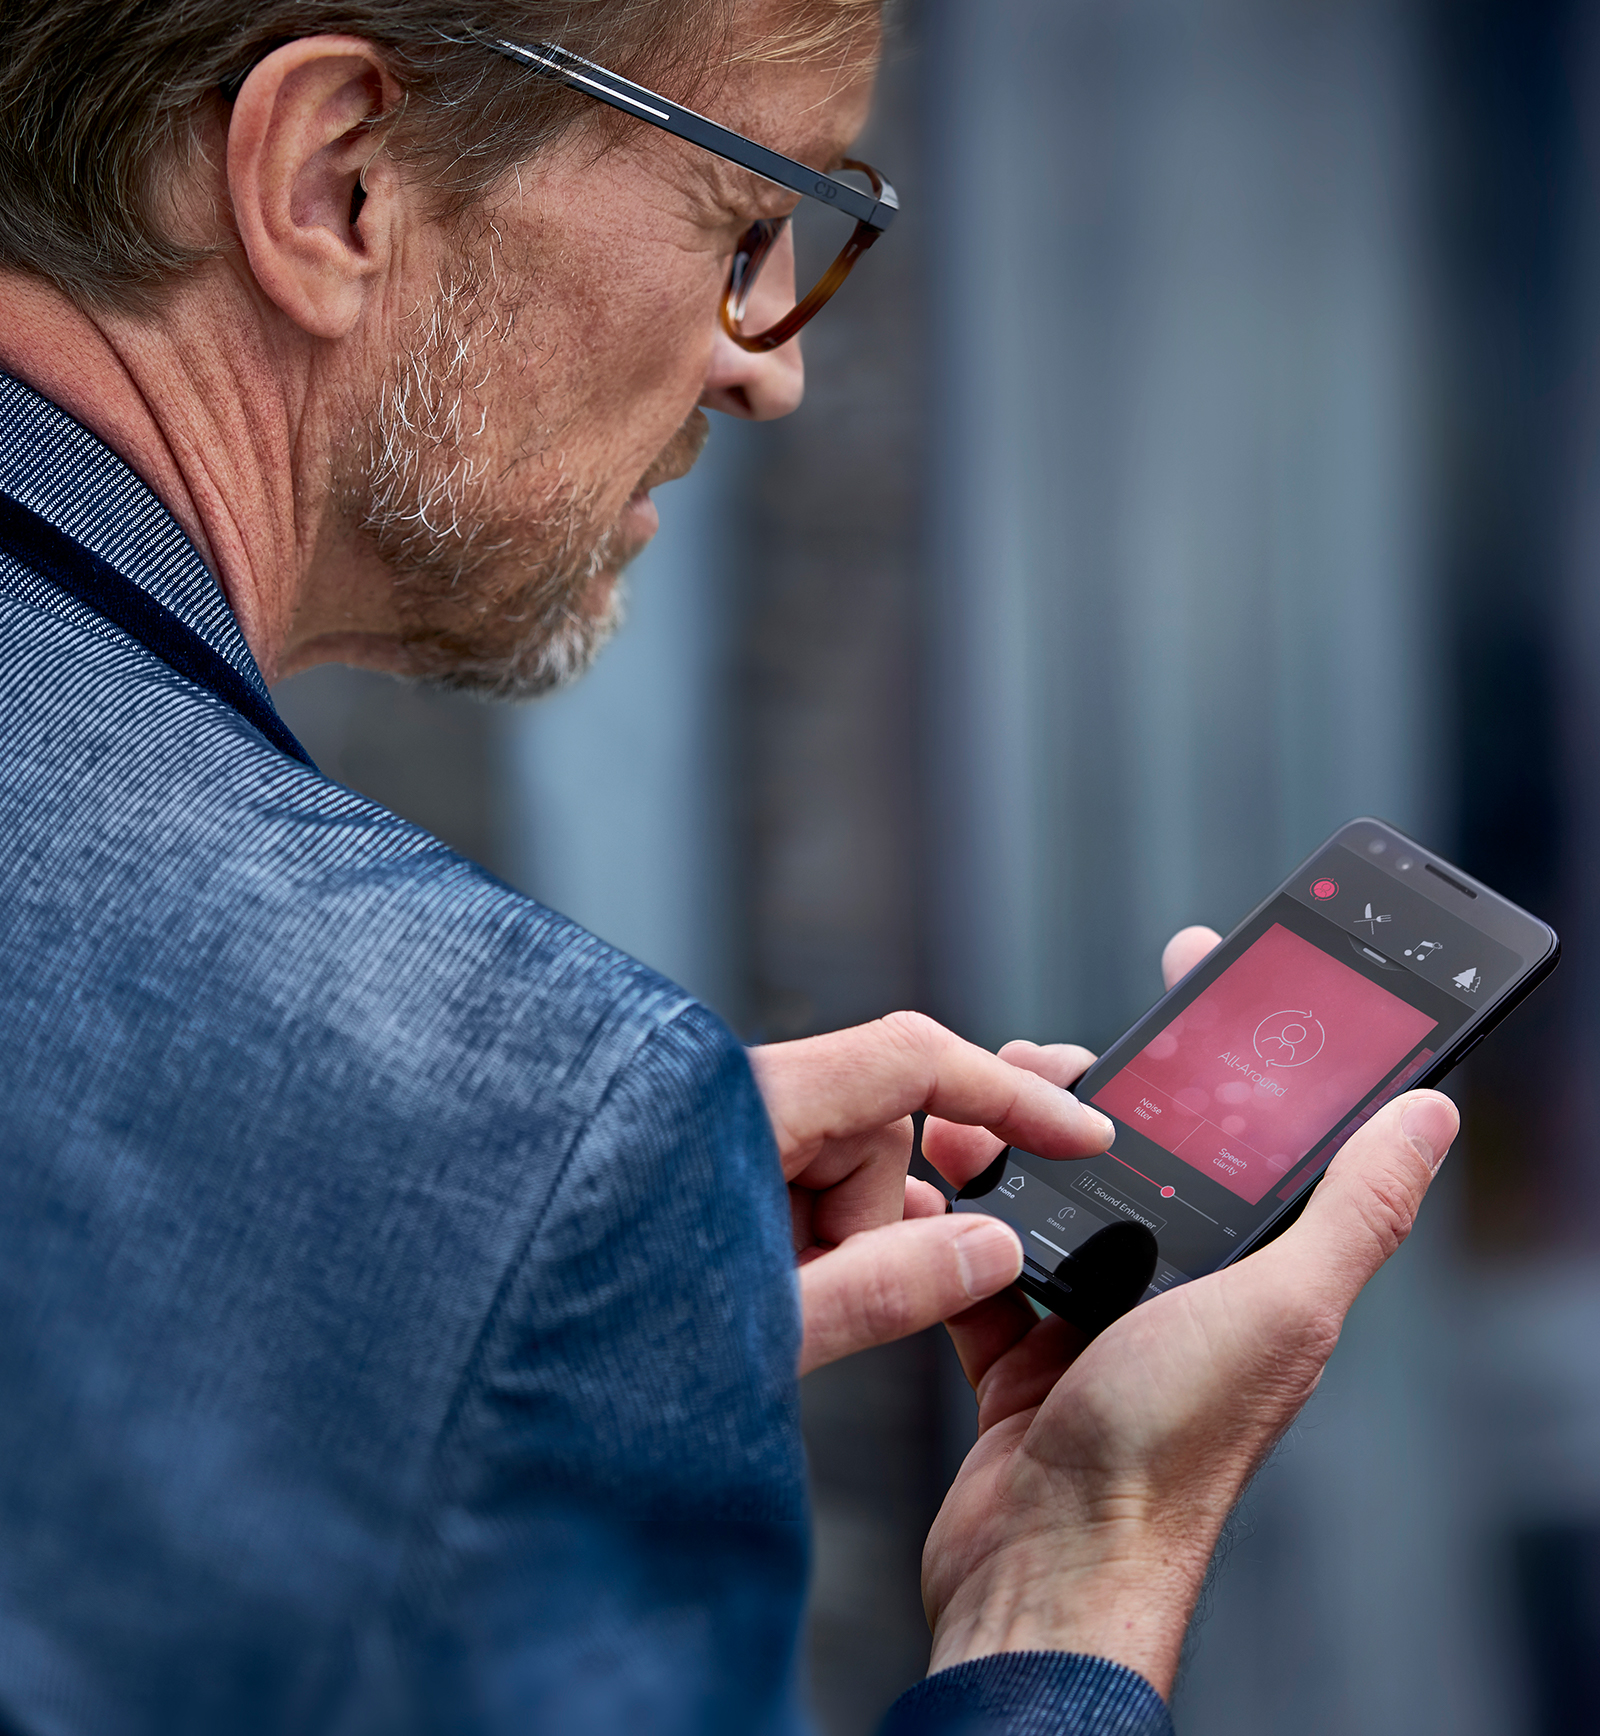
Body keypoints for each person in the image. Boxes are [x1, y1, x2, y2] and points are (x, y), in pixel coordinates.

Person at [0, 1, 1460, 1730]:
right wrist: (1079, 1573)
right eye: (749, 226)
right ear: (339, 183)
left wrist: (525, 1292)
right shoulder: (538, 1113)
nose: (770, 366)